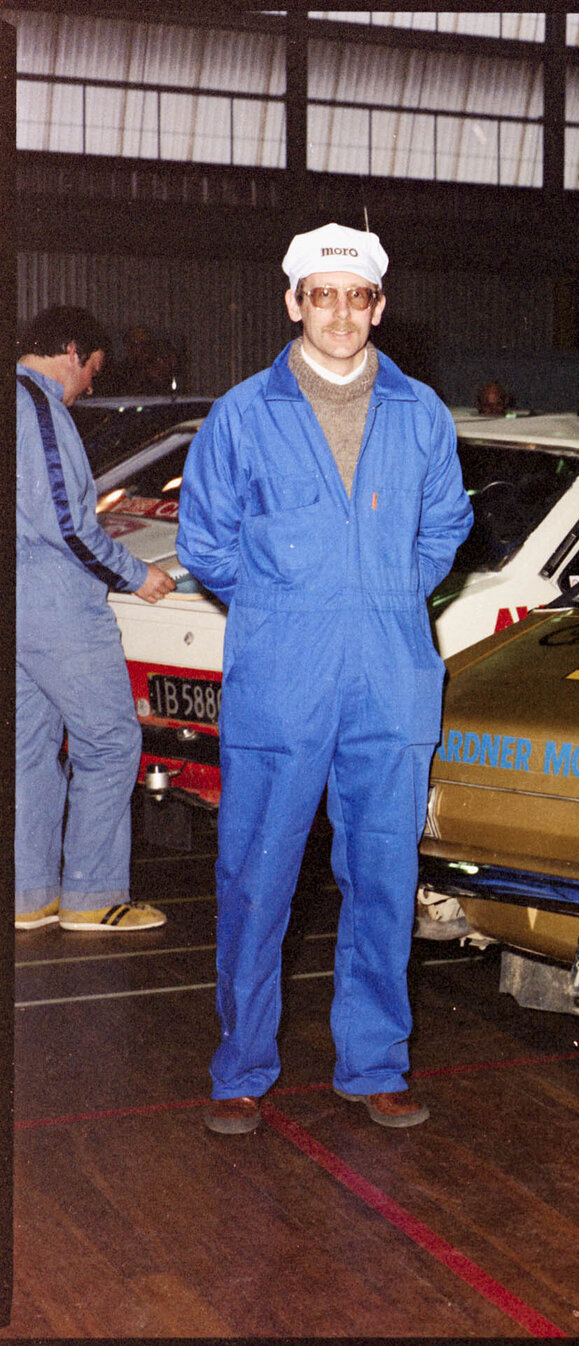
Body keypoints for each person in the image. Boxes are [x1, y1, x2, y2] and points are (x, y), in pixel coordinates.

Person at [178, 224, 473, 1135]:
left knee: (383, 879)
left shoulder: (421, 413)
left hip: (390, 677)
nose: (339, 312)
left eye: (356, 296)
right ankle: (241, 1068)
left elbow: (446, 526)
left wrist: (384, 593)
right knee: (256, 879)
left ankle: (374, 1064)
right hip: (282, 682)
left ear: (378, 308)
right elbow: (205, 542)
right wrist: (285, 608)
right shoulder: (242, 414)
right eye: (321, 294)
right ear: (294, 303)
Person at [16, 307, 176, 934]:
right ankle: (92, 894)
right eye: (93, 371)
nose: (89, 386)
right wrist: (136, 575)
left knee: (30, 748)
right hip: (57, 606)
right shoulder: (38, 407)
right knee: (109, 743)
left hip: (22, 606)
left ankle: (28, 893)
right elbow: (67, 523)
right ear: (73, 351)